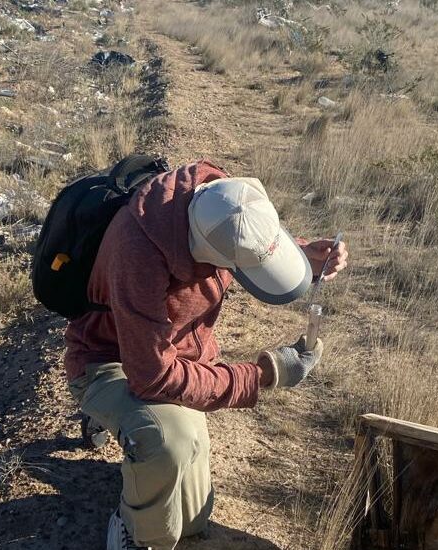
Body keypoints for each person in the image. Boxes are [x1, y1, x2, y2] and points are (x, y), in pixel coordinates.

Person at [64, 160, 349, 550]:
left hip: (170, 355)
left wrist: (299, 256)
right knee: (169, 441)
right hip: (110, 360)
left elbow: (240, 233)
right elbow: (154, 376)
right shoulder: (138, 252)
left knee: (193, 521)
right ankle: (134, 532)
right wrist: (264, 374)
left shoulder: (221, 193)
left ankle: (139, 441)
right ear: (203, 253)